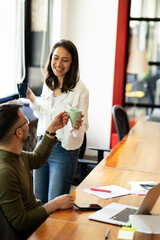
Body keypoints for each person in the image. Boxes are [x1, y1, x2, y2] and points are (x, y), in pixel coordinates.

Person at [0, 100, 75, 239]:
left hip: (36, 221)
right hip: (29, 232)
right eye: (26, 122)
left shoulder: (16, 155)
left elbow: (37, 158)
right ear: (18, 132)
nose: (29, 125)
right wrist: (55, 204)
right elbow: (20, 222)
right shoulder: (5, 171)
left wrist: (52, 129)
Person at [27, 39, 89, 203]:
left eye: (65, 60)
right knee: (38, 201)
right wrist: (32, 98)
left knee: (55, 203)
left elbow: (83, 127)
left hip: (64, 151)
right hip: (42, 145)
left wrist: (76, 127)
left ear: (72, 63)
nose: (58, 63)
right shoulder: (49, 83)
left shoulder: (80, 90)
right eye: (56, 58)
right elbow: (44, 112)